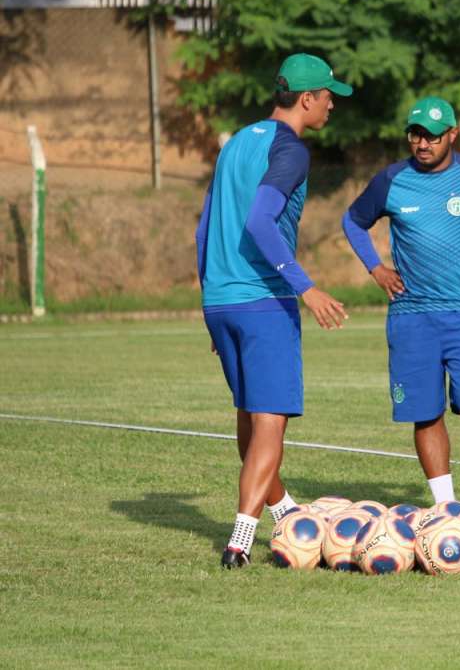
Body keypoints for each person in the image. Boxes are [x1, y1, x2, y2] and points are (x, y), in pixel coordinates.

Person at [195, 53, 351, 568]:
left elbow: (203, 230)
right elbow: (262, 222)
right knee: (270, 421)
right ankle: (240, 540)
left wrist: (209, 303)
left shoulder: (237, 141)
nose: (332, 103)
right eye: (328, 95)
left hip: (222, 300)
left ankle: (283, 510)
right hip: (263, 298)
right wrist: (307, 289)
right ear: (306, 99)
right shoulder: (291, 149)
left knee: (250, 413)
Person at [341, 96, 460, 504]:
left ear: (451, 135)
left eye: (432, 135)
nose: (422, 143)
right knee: (425, 413)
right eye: (415, 134)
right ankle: (445, 507)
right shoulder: (391, 180)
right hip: (411, 316)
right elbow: (353, 220)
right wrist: (376, 269)